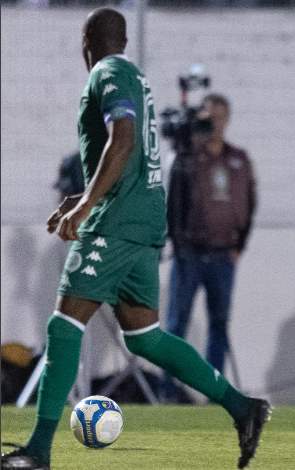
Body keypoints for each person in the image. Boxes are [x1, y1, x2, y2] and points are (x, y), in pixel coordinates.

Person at [0, 9, 269, 470]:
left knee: (64, 326)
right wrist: (83, 194)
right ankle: (243, 408)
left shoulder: (107, 72)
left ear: (87, 41)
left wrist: (88, 206)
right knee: (144, 338)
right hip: (142, 221)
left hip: (116, 223)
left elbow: (121, 140)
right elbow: (129, 151)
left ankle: (39, 450)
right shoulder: (135, 76)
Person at [165, 93, 257, 379]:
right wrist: (177, 243)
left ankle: (214, 389)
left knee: (219, 323)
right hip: (189, 252)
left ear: (227, 120)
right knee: (176, 323)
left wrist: (240, 244)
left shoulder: (238, 159)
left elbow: (249, 201)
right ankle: (169, 390)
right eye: (209, 116)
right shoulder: (187, 157)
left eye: (220, 116)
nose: (215, 122)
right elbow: (173, 202)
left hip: (223, 254)